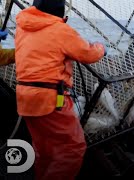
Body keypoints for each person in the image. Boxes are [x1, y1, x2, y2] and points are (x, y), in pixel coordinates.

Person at [14, 0, 106, 179]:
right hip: (50, 99)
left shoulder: (23, 27)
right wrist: (101, 48)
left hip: (25, 98)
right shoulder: (60, 29)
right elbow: (88, 54)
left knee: (44, 151)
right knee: (72, 150)